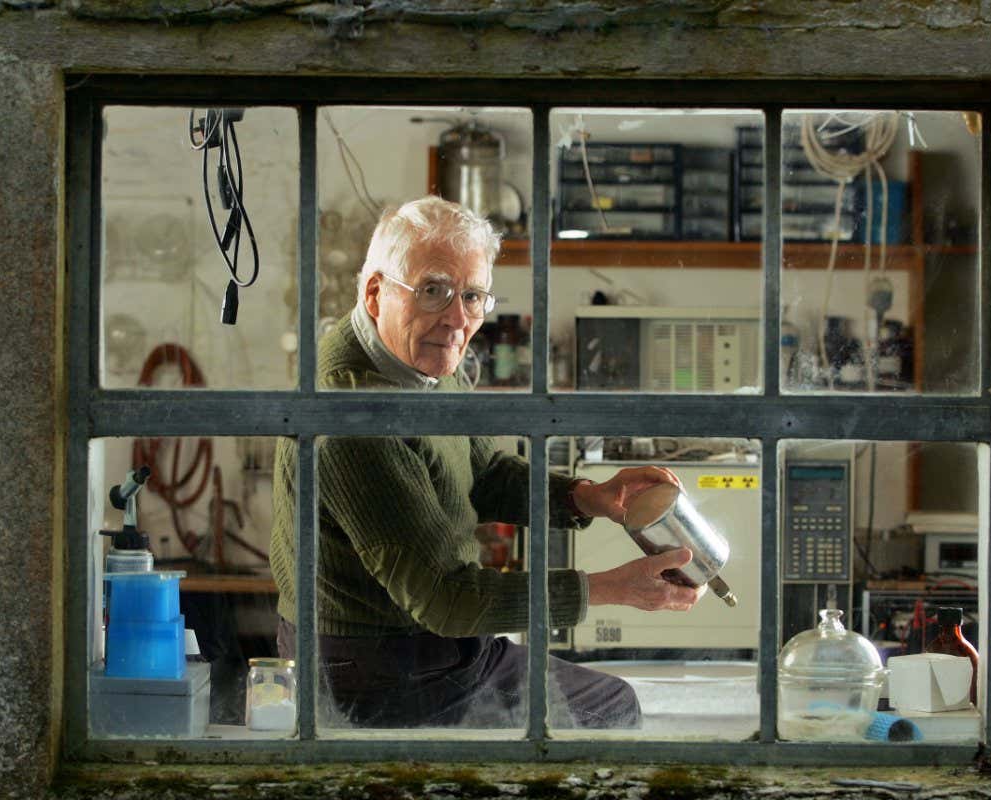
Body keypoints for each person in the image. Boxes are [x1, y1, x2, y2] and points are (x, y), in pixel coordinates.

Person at [269, 195, 701, 729]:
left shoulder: (418, 355)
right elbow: (446, 598)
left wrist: (591, 496)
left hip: (419, 644)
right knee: (612, 705)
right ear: (377, 294)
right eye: (433, 291)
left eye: (473, 296)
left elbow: (483, 472)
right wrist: (613, 588)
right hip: (379, 671)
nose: (456, 319)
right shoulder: (353, 416)